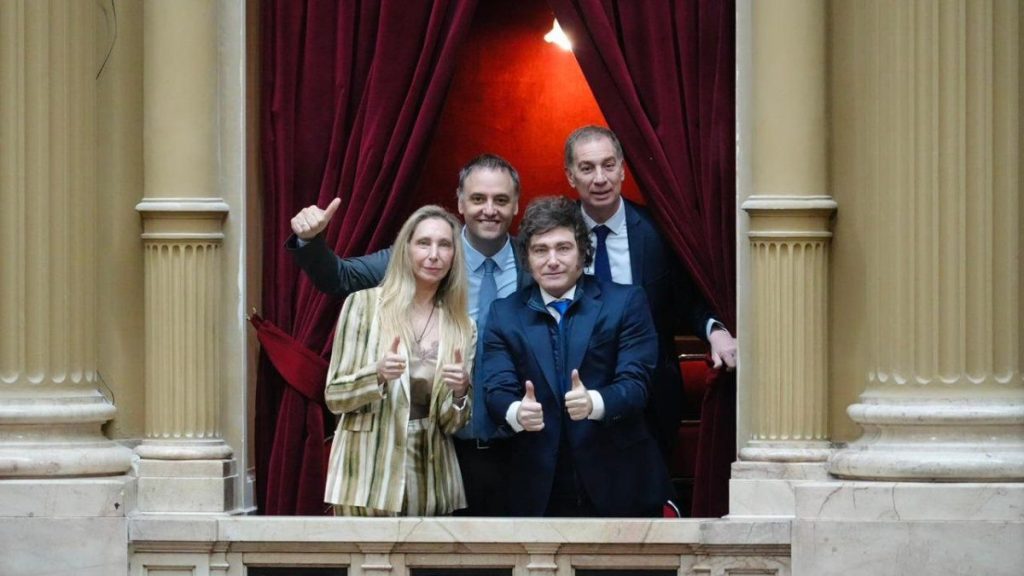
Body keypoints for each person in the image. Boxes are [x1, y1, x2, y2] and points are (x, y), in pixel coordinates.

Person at [289, 154, 526, 516]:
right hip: (432, 452)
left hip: (510, 446)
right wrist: (310, 241)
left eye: (501, 199)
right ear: (461, 202)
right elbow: (339, 276)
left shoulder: (537, 261)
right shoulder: (415, 257)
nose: (489, 209)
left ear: (516, 205)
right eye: (478, 198)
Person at [481, 196, 672, 517]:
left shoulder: (625, 302)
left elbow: (636, 384)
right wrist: (517, 412)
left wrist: (594, 402)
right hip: (538, 483)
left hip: (617, 478)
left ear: (583, 252)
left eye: (563, 248)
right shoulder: (504, 313)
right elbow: (496, 388)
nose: (552, 260)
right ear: (527, 258)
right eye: (540, 250)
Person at [563, 125, 739, 461]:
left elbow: (687, 300)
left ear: (623, 169)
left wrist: (715, 331)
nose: (600, 178)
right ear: (571, 176)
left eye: (608, 165)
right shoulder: (555, 235)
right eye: (587, 168)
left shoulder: (659, 229)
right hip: (574, 398)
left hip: (650, 397)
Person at [323, 205, 474, 516]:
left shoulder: (462, 326)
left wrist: (461, 394)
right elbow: (334, 397)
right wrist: (376, 374)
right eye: (424, 243)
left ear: (454, 256)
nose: (434, 255)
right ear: (405, 249)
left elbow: (452, 424)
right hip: (365, 475)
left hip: (430, 479)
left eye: (444, 245)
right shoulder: (363, 304)